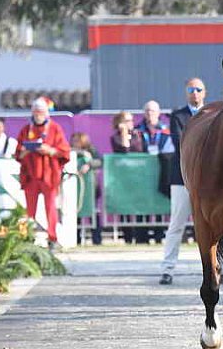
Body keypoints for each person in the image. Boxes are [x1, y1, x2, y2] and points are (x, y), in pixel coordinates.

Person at [159, 78, 220, 285]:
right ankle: (167, 268)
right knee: (176, 223)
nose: (195, 93)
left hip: (210, 179)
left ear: (205, 92)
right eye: (191, 89)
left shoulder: (214, 113)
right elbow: (181, 142)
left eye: (198, 89)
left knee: (217, 224)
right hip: (182, 176)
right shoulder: (178, 116)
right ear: (186, 92)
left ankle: (220, 268)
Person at [15, 97, 70, 250]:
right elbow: (17, 154)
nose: (38, 115)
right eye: (36, 112)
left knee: (50, 208)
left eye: (41, 112)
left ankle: (52, 238)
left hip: (49, 175)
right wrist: (25, 151)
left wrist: (50, 150)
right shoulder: (26, 130)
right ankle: (27, 238)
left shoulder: (55, 129)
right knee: (29, 210)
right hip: (31, 174)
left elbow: (65, 152)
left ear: (46, 113)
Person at [134, 100, 173, 244]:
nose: (150, 114)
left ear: (159, 113)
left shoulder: (166, 130)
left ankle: (159, 234)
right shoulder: (137, 130)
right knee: (141, 204)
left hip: (160, 173)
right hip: (142, 175)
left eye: (153, 111)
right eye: (147, 111)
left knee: (158, 203)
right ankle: (140, 236)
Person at [110, 111, 143, 244]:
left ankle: (141, 236)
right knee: (125, 208)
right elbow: (124, 151)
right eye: (127, 121)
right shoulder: (115, 137)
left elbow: (140, 150)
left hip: (138, 176)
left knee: (140, 206)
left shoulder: (137, 135)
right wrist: (124, 134)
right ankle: (128, 237)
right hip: (123, 178)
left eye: (131, 120)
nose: (131, 123)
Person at [71, 132, 102, 245]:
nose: (74, 143)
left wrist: (89, 164)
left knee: (93, 212)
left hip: (91, 187)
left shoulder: (91, 150)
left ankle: (97, 239)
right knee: (75, 213)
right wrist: (80, 152)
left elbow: (99, 161)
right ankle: (76, 239)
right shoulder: (69, 151)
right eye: (73, 141)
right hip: (74, 188)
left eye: (77, 141)